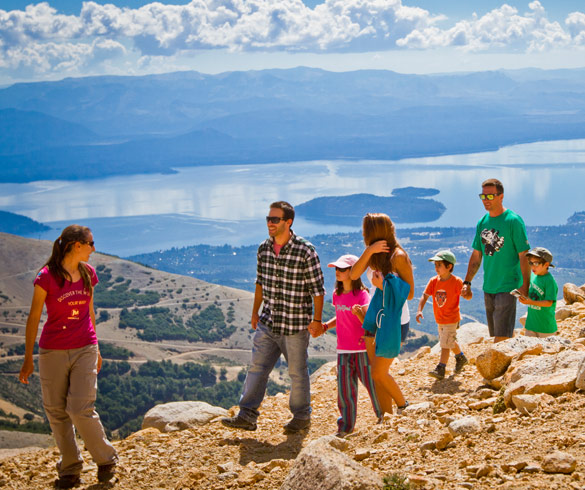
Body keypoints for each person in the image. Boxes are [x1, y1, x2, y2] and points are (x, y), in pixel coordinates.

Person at [19, 225, 118, 489]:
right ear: (77, 245)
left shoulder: (88, 274)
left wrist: (97, 347)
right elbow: (33, 318)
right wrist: (28, 358)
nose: (94, 248)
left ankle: (106, 460)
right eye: (91, 243)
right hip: (52, 350)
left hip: (85, 346)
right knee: (56, 412)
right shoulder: (46, 277)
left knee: (79, 408)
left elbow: (90, 312)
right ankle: (70, 468)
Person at [221, 201, 325, 433]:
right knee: (257, 368)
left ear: (288, 222)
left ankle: (301, 417)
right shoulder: (263, 249)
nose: (270, 223)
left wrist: (316, 321)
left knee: (297, 373)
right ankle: (247, 415)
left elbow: (317, 291)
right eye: (268, 219)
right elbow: (260, 283)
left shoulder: (305, 251)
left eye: (275, 219)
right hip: (268, 321)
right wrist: (255, 312)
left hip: (295, 324)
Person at [349, 213, 414, 416]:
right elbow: (353, 274)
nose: (362, 234)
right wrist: (369, 251)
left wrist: (382, 286)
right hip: (375, 319)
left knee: (378, 372)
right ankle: (386, 417)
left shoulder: (398, 257)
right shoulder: (374, 254)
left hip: (394, 321)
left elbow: (410, 294)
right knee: (375, 375)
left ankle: (404, 406)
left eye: (365, 231)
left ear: (373, 231)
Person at [321, 254, 382, 437]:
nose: (337, 272)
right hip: (343, 350)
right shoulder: (336, 295)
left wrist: (358, 315)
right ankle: (345, 428)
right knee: (345, 391)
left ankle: (384, 416)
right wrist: (325, 326)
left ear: (353, 272)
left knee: (373, 386)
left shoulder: (362, 295)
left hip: (362, 349)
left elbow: (368, 323)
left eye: (342, 269)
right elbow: (340, 317)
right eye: (336, 269)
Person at [462, 178, 530, 342]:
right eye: (483, 196)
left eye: (490, 196)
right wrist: (467, 282)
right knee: (501, 333)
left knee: (500, 337)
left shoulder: (513, 221)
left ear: (501, 196)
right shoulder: (482, 222)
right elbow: (477, 255)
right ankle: (514, 358)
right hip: (489, 286)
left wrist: (525, 285)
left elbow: (524, 255)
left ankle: (499, 367)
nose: (486, 200)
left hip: (508, 286)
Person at [416, 250, 471, 380]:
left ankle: (441, 368)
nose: (436, 268)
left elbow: (468, 297)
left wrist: (466, 292)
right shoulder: (433, 281)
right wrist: (419, 310)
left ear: (449, 266)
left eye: (439, 265)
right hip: (440, 318)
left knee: (444, 343)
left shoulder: (456, 281)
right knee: (449, 341)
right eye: (435, 265)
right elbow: (425, 295)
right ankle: (460, 357)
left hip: (451, 318)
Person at [517, 247, 558, 338]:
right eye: (530, 263)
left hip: (546, 328)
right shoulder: (533, 276)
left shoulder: (549, 281)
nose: (532, 266)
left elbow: (549, 302)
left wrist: (530, 302)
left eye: (536, 263)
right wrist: (523, 296)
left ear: (546, 264)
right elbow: (532, 293)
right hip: (531, 325)